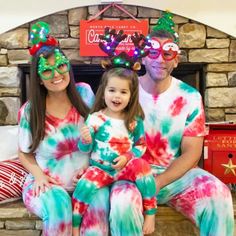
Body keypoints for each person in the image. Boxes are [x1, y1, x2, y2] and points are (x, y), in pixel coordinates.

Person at [73, 12, 234, 236]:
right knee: (121, 204)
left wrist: (159, 181)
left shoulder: (190, 97)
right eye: (153, 52)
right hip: (129, 174)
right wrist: (88, 164)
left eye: (168, 53)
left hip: (175, 175)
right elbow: (100, 131)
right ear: (144, 58)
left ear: (176, 60)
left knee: (219, 194)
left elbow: (192, 152)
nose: (160, 59)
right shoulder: (125, 92)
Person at [18, 21, 105, 236]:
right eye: (46, 71)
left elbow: (98, 136)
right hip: (48, 184)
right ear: (38, 78)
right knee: (60, 211)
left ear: (67, 65)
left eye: (60, 66)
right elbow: (24, 151)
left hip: (85, 180)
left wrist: (90, 167)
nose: (56, 74)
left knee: (100, 208)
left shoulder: (85, 94)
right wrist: (38, 176)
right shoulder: (30, 111)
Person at [72, 67, 157, 235]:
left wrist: (128, 156)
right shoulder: (96, 118)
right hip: (100, 169)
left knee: (143, 167)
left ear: (131, 95)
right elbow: (84, 149)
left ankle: (150, 213)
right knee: (83, 187)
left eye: (123, 92)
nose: (117, 96)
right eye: (112, 90)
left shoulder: (133, 120)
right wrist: (85, 140)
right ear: (103, 92)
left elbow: (140, 145)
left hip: (125, 169)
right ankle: (75, 226)